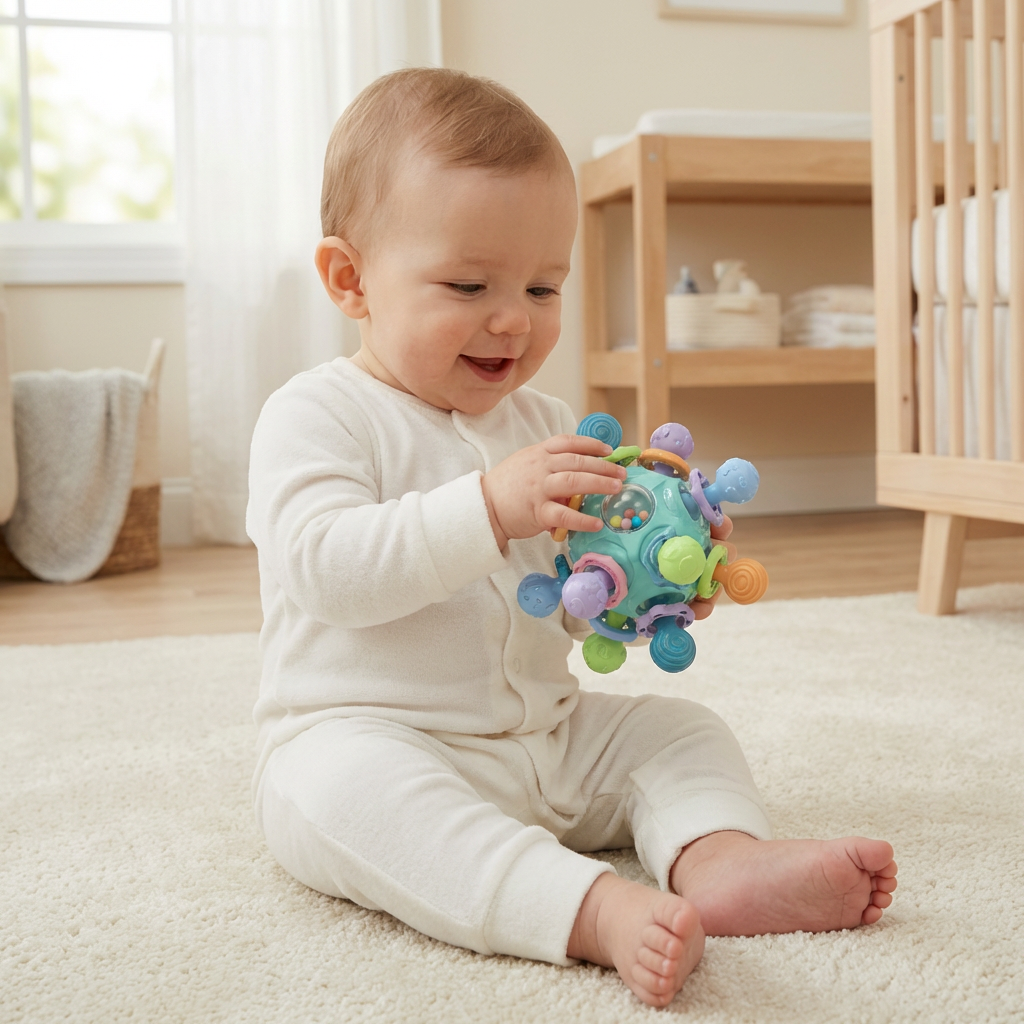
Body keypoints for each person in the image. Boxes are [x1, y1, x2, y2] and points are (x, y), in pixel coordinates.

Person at [246, 68, 897, 1008]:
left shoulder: (541, 421)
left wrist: (667, 575)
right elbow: (325, 571)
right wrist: (489, 507)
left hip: (545, 739)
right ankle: (591, 910)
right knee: (349, 799)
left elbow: (580, 571)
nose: (513, 317)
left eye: (544, 286)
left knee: (679, 731)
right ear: (350, 279)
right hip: (371, 735)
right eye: (468, 284)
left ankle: (720, 861)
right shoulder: (316, 415)